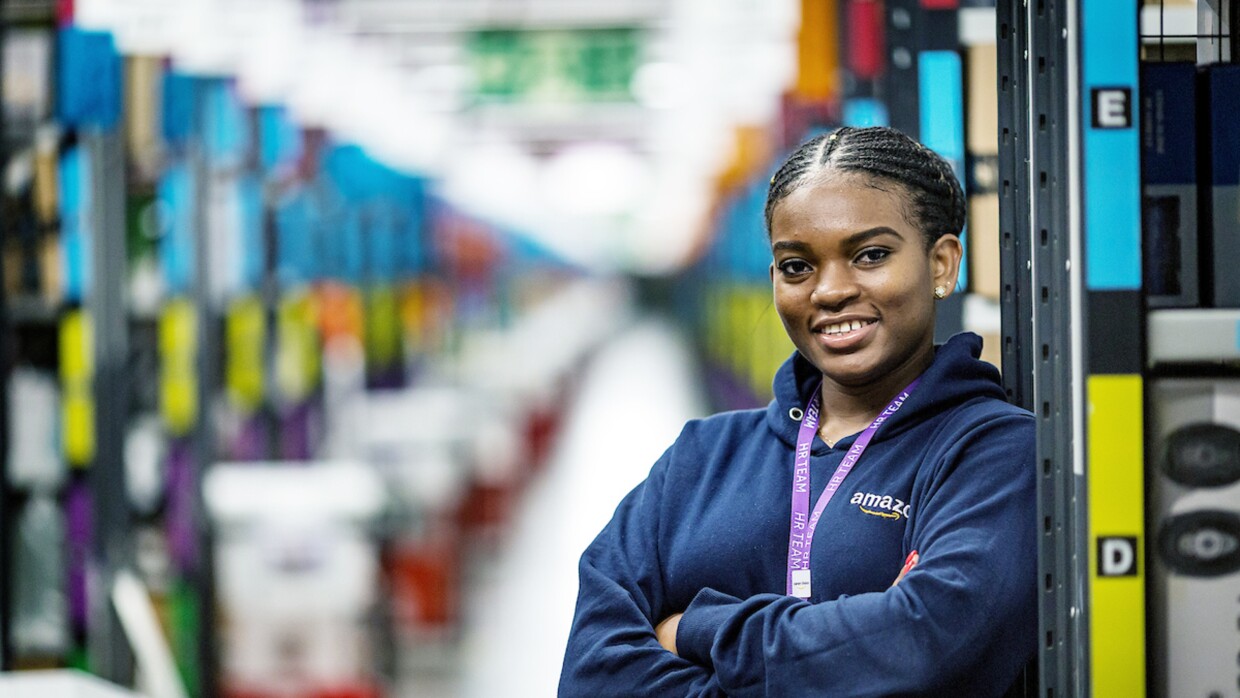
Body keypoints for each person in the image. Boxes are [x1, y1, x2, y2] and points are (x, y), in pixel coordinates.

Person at [558, 125, 1037, 697]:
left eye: (871, 255)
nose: (830, 290)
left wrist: (698, 629)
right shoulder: (700, 458)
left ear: (941, 263)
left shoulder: (995, 453)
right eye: (797, 266)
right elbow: (592, 674)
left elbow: (922, 642)